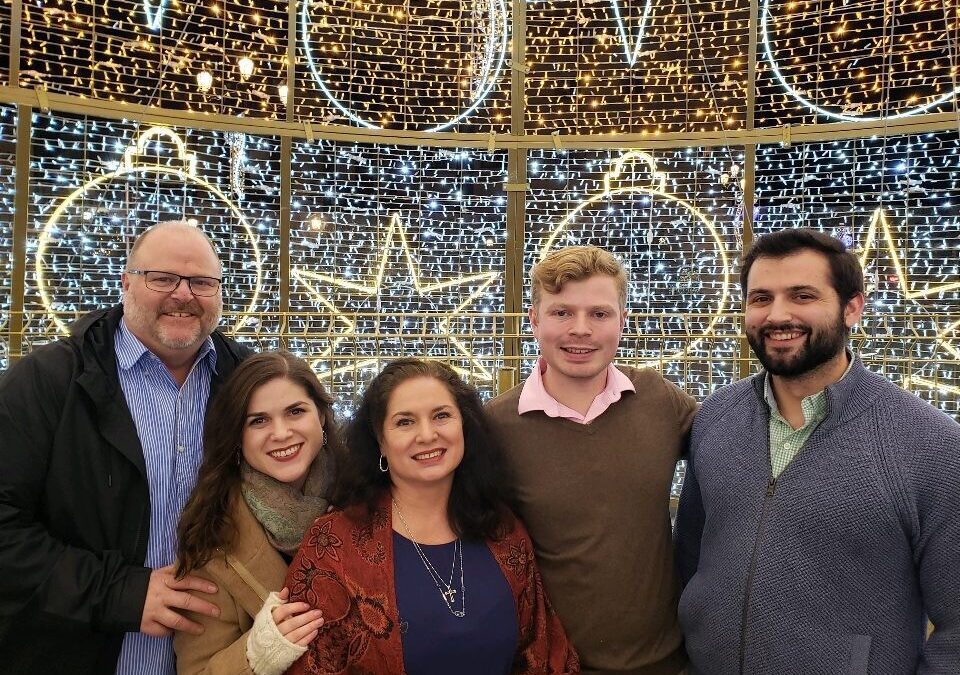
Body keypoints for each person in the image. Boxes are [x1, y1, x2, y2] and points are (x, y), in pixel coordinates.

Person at [674, 228, 960, 674]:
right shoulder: (715, 418)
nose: (777, 315)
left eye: (802, 296)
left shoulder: (930, 445)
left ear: (852, 308)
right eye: (760, 298)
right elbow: (690, 557)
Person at [0, 221, 251, 674]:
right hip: (74, 652)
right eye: (162, 278)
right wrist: (120, 593)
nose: (183, 294)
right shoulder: (48, 382)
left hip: (213, 658)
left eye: (201, 282)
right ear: (126, 283)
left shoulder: (247, 384)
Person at [285, 358, 578, 674]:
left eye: (441, 416)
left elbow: (545, 654)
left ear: (464, 427)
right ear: (380, 441)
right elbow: (310, 665)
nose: (427, 435)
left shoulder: (503, 531)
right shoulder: (333, 545)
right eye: (405, 422)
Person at [486, 245, 697, 675]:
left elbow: (746, 446)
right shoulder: (495, 427)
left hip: (665, 663)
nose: (580, 330)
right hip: (551, 664)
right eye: (562, 313)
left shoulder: (658, 400)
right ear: (534, 320)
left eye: (599, 314)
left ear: (622, 322)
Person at [174, 351, 340, 675]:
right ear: (238, 435)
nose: (280, 433)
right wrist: (256, 654)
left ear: (320, 416)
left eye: (295, 411)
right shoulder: (211, 536)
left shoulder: (369, 501)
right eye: (258, 420)